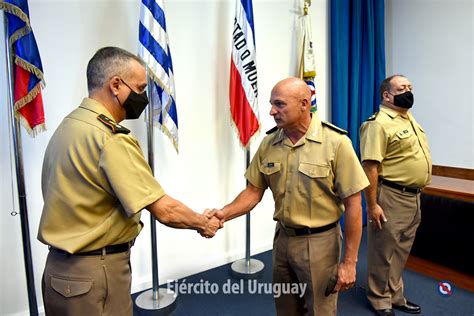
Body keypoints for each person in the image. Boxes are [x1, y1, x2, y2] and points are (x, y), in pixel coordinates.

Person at [37, 47, 222, 316]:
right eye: (139, 87)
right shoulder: (109, 138)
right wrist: (203, 223)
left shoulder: (69, 126)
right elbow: (164, 209)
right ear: (115, 85)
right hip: (94, 275)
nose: (142, 97)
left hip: (59, 274)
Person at [217, 77, 369, 315]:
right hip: (282, 240)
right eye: (271, 104)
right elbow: (253, 192)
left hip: (320, 243)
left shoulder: (336, 143)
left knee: (320, 310)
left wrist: (349, 262)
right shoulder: (269, 143)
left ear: (304, 104)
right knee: (286, 309)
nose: (271, 111)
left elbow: (354, 204)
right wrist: (222, 214)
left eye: (279, 104)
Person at [360, 74, 432, 316]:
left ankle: (395, 295)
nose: (408, 91)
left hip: (413, 197)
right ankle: (379, 299)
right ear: (386, 95)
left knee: (401, 250)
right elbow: (370, 167)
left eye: (410, 87)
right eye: (402, 88)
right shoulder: (377, 124)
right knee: (383, 251)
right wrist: (372, 205)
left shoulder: (407, 119)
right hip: (390, 196)